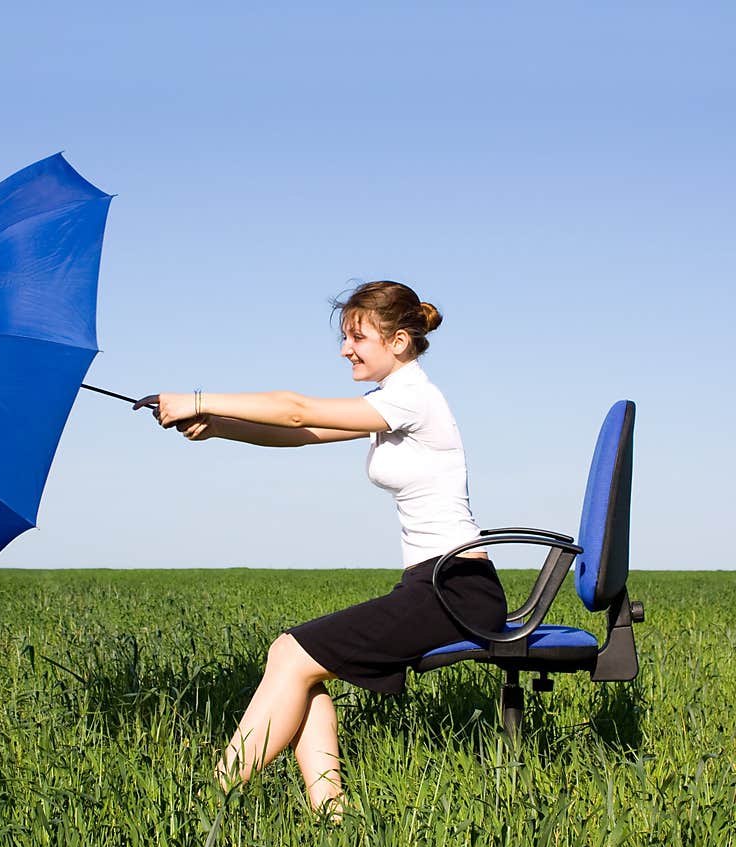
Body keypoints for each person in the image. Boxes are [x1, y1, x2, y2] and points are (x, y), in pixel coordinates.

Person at [133, 280, 507, 817]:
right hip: (433, 587)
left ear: (399, 341)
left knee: (290, 653)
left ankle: (209, 800)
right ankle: (331, 813)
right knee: (301, 666)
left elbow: (295, 409)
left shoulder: (414, 398)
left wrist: (197, 398)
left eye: (358, 337)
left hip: (456, 592)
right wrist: (219, 428)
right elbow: (301, 432)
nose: (345, 349)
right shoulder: (391, 404)